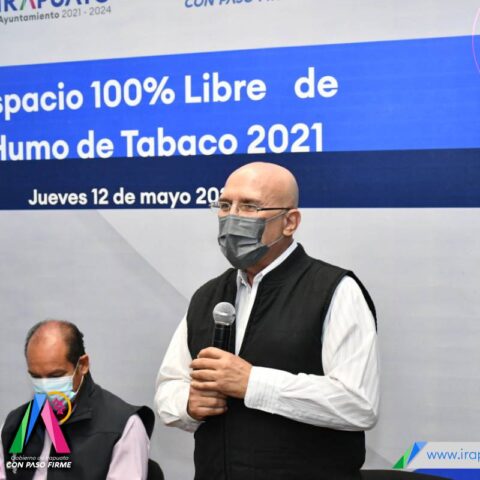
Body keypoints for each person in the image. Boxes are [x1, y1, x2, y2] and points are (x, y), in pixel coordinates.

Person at [155, 162, 380, 480]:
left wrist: (253, 383)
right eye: (225, 205)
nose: (232, 218)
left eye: (249, 206)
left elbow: (358, 404)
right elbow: (170, 386)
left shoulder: (335, 290)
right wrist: (187, 404)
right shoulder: (208, 295)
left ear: (290, 222)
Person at [1, 320, 155, 480]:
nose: (45, 387)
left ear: (83, 365)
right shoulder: (14, 424)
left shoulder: (123, 426)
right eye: (36, 377)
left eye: (56, 375)